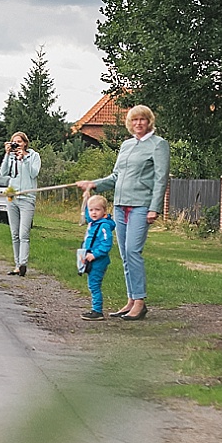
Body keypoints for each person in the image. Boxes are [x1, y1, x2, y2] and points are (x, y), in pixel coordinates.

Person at [76, 105, 170, 321]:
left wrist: (154, 207)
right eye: (134, 120)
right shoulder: (126, 145)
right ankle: (130, 300)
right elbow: (116, 177)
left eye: (142, 120)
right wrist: (94, 184)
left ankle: (140, 302)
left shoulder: (158, 145)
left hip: (141, 205)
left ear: (149, 122)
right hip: (120, 205)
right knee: (124, 254)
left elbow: (160, 179)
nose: (138, 123)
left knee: (133, 251)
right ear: (130, 123)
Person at [0, 131, 41, 276]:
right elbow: (3, 173)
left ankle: (23, 263)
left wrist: (24, 158)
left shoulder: (33, 156)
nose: (16, 144)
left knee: (24, 234)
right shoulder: (11, 156)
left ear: (25, 143)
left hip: (27, 198)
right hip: (12, 197)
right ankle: (17, 265)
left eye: (19, 142)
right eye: (14, 142)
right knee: (14, 234)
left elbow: (34, 173)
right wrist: (7, 154)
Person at [79, 194, 115, 321]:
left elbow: (106, 244)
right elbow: (87, 215)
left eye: (97, 210)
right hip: (89, 258)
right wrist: (86, 198)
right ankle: (95, 309)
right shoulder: (93, 223)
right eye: (91, 210)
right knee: (91, 284)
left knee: (94, 285)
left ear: (104, 212)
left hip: (98, 261)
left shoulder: (103, 226)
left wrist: (94, 254)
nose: (93, 213)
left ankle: (97, 310)